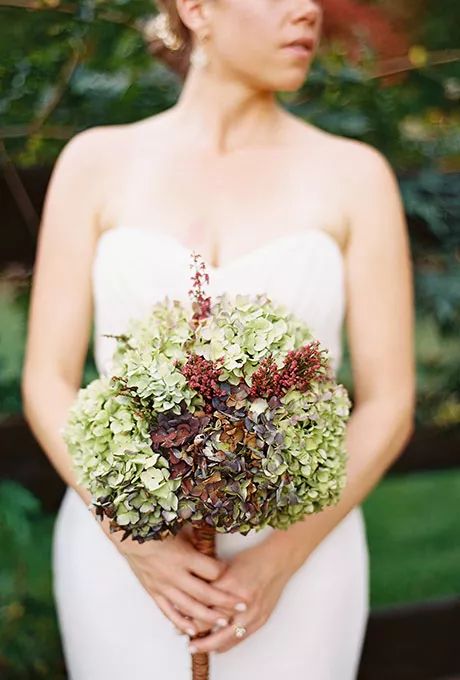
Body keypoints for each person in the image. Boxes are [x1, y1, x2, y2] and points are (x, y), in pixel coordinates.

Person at [21, 0, 415, 678]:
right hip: (124, 553)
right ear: (196, 8)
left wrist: (279, 559)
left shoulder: (356, 175)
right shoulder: (95, 164)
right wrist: (134, 540)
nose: (308, 12)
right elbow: (47, 381)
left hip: (303, 561)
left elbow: (390, 402)